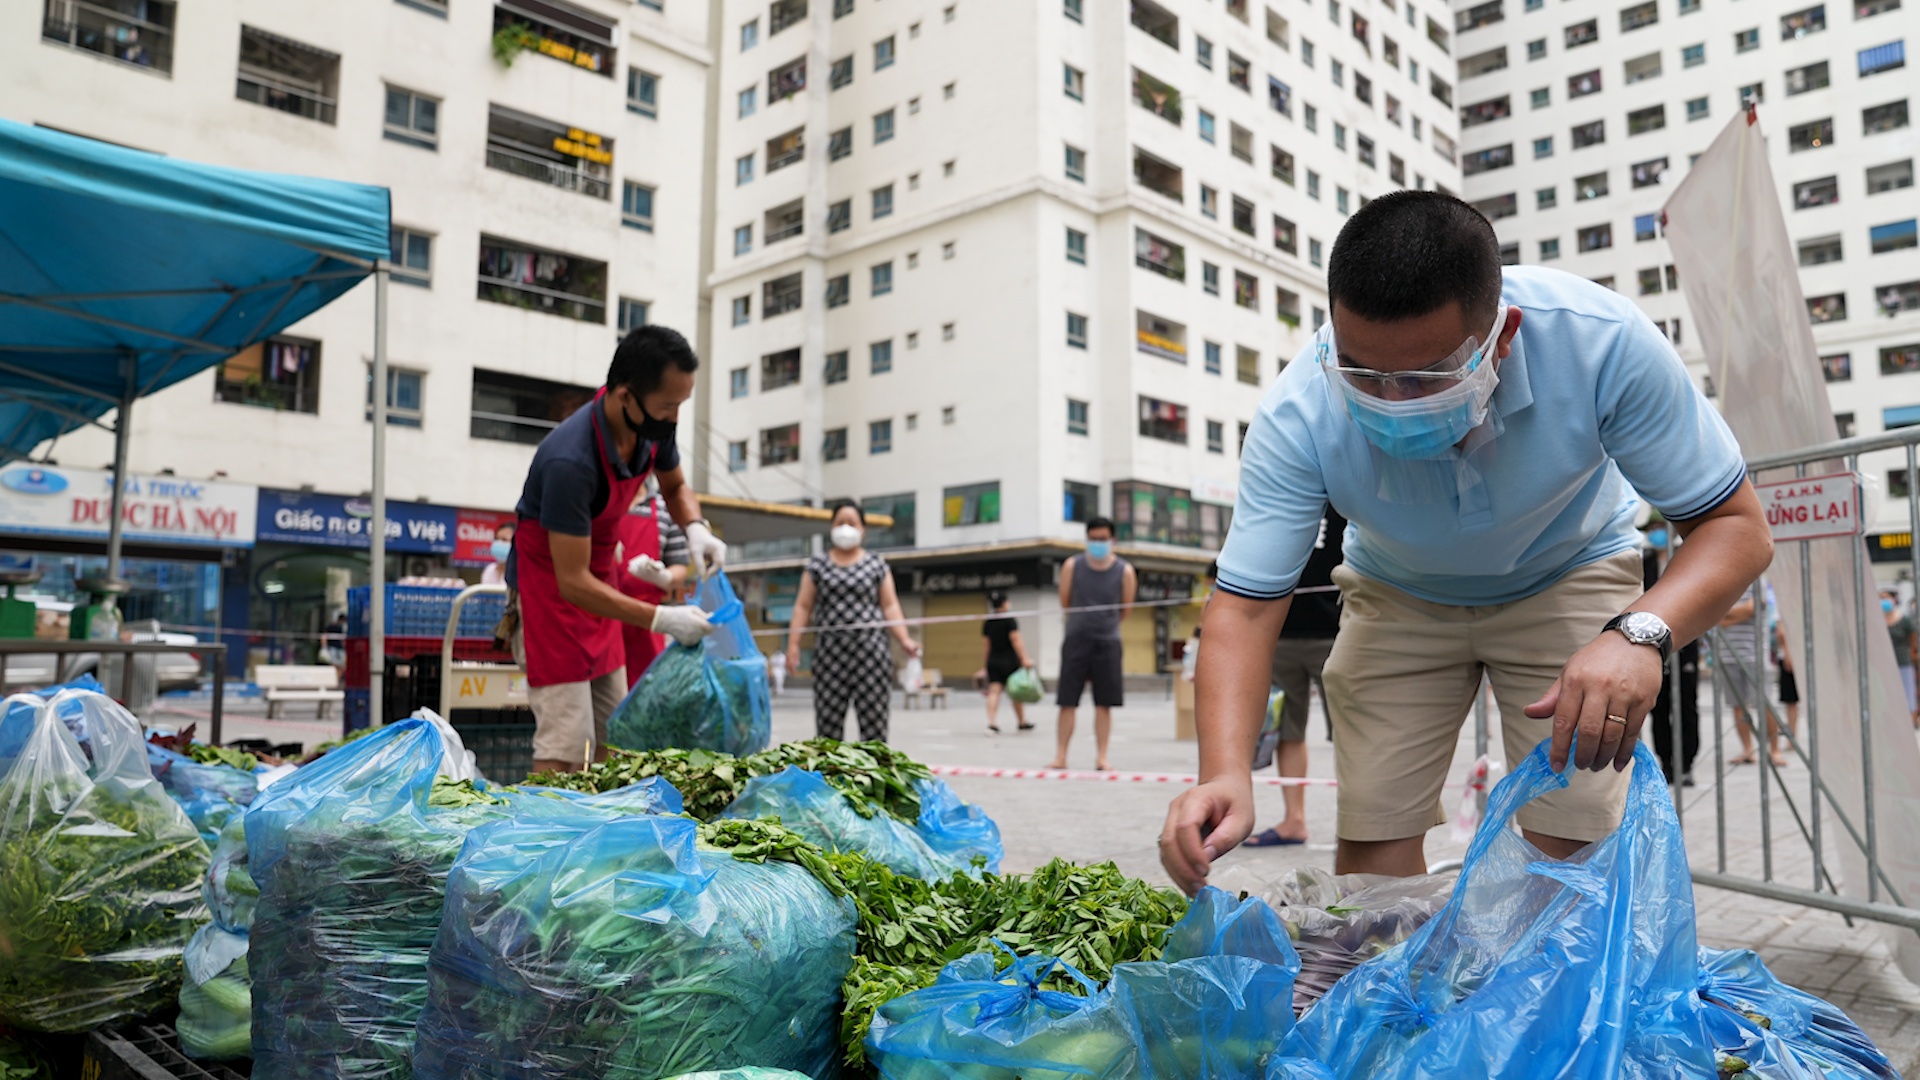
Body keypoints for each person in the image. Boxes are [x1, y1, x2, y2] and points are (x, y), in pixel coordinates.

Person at [1158, 192, 1773, 892]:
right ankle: (1390, 994)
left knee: (1571, 837)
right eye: (1364, 374)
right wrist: (1225, 772)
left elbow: (1735, 528)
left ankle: (1551, 994)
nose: (1393, 400)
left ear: (1502, 335)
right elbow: (1242, 607)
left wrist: (1639, 634)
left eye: (1427, 376)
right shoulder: (1298, 409)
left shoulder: (1601, 341)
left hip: (1568, 570)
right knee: (1373, 837)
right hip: (1397, 592)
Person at [505, 325, 726, 775]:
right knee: (568, 740)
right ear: (625, 395)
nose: (675, 418)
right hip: (551, 594)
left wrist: (696, 528)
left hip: (598, 583)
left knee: (620, 731)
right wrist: (664, 618)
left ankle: (604, 833)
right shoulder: (570, 461)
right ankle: (540, 836)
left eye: (681, 404)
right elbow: (571, 582)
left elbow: (677, 485)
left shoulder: (651, 426)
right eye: (669, 406)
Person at [1243, 507, 1347, 847]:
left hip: (1337, 632)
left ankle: (1360, 822)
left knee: (1352, 732)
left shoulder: (1342, 494)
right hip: (1280, 632)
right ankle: (1293, 820)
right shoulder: (1273, 495)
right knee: (1286, 730)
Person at [785, 503, 921, 741]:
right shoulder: (817, 566)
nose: (845, 528)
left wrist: (904, 639)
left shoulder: (876, 565)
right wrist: (793, 644)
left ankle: (874, 775)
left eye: (852, 523)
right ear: (831, 528)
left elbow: (890, 606)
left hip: (871, 655)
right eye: (840, 523)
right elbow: (803, 606)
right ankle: (831, 776)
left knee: (875, 728)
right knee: (827, 731)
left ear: (863, 530)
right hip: (830, 657)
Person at [1048, 517, 1137, 771]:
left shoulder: (1125, 571)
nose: (1098, 543)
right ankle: (1061, 755)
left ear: (1113, 540)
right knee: (1067, 700)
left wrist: (1104, 624)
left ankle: (1102, 757)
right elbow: (1065, 600)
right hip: (1076, 638)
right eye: (1094, 539)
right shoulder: (1071, 566)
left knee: (1104, 703)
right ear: (1087, 539)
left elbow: (1126, 608)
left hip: (1108, 641)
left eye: (1103, 539)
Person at [616, 477, 692, 688]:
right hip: (601, 614)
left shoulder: (665, 509)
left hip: (647, 622)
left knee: (645, 694)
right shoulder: (602, 500)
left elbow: (680, 565)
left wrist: (664, 577)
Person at [1642, 523, 1702, 786]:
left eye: (1659, 527)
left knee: (1687, 705)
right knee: (1659, 705)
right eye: (1651, 528)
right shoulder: (1643, 562)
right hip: (1650, 644)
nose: (1655, 533)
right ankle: (1666, 762)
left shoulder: (1686, 557)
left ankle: (1686, 763)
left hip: (1684, 642)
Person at [1720, 595, 1776, 767]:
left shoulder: (1756, 580)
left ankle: (1775, 750)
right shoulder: (1724, 583)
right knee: (1737, 705)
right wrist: (1737, 614)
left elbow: (1750, 609)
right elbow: (1714, 619)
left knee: (1764, 704)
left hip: (1755, 654)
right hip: (1728, 654)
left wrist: (1724, 614)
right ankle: (1748, 749)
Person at [979, 591, 1036, 734]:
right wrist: (1025, 658)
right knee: (1016, 692)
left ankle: (992, 723)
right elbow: (1016, 640)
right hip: (1010, 661)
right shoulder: (1010, 620)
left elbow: (986, 645)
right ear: (1004, 603)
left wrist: (986, 664)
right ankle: (1022, 721)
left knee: (994, 691)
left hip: (994, 661)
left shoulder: (989, 621)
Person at [1884, 592, 1917, 721]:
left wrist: (1913, 654)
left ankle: (1909, 720)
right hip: (1885, 663)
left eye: (1886, 598)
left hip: (1903, 661)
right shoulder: (1877, 621)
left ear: (1894, 600)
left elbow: (1913, 638)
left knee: (1907, 692)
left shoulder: (1904, 621)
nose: (1883, 601)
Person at [482, 522, 515, 586]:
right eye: (496, 539)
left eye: (504, 540)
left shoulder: (519, 575)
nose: (499, 543)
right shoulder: (489, 570)